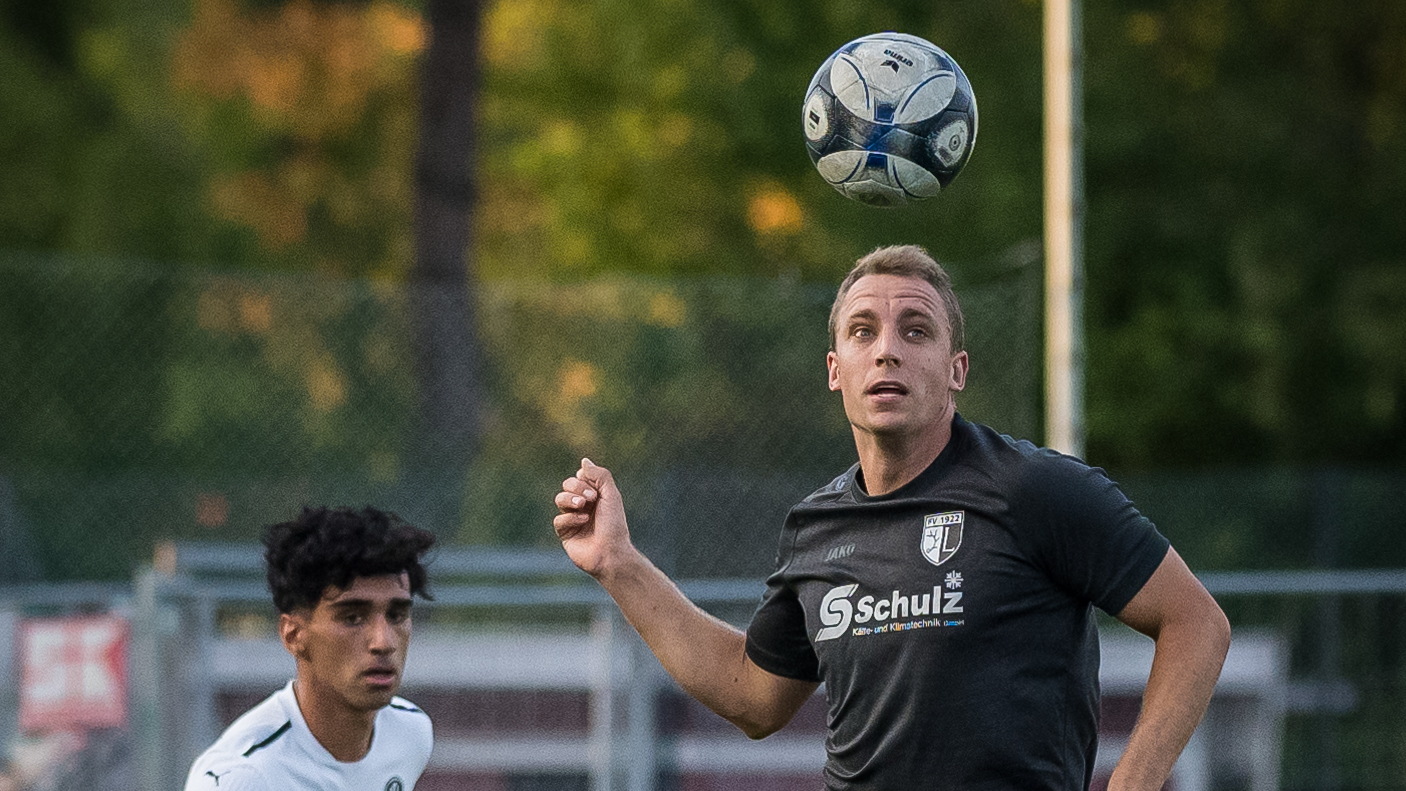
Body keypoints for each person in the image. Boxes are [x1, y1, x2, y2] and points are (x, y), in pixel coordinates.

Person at [553, 244, 1232, 791]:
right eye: (862, 331)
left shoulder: (1036, 488)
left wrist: (1132, 783)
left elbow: (1196, 622)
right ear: (835, 369)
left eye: (916, 330)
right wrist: (619, 563)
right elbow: (753, 693)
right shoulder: (817, 526)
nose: (887, 350)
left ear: (955, 367)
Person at [184, 506, 436, 791]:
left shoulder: (411, 733)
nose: (383, 642)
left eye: (396, 615)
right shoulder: (242, 777)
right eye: (352, 618)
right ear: (294, 635)